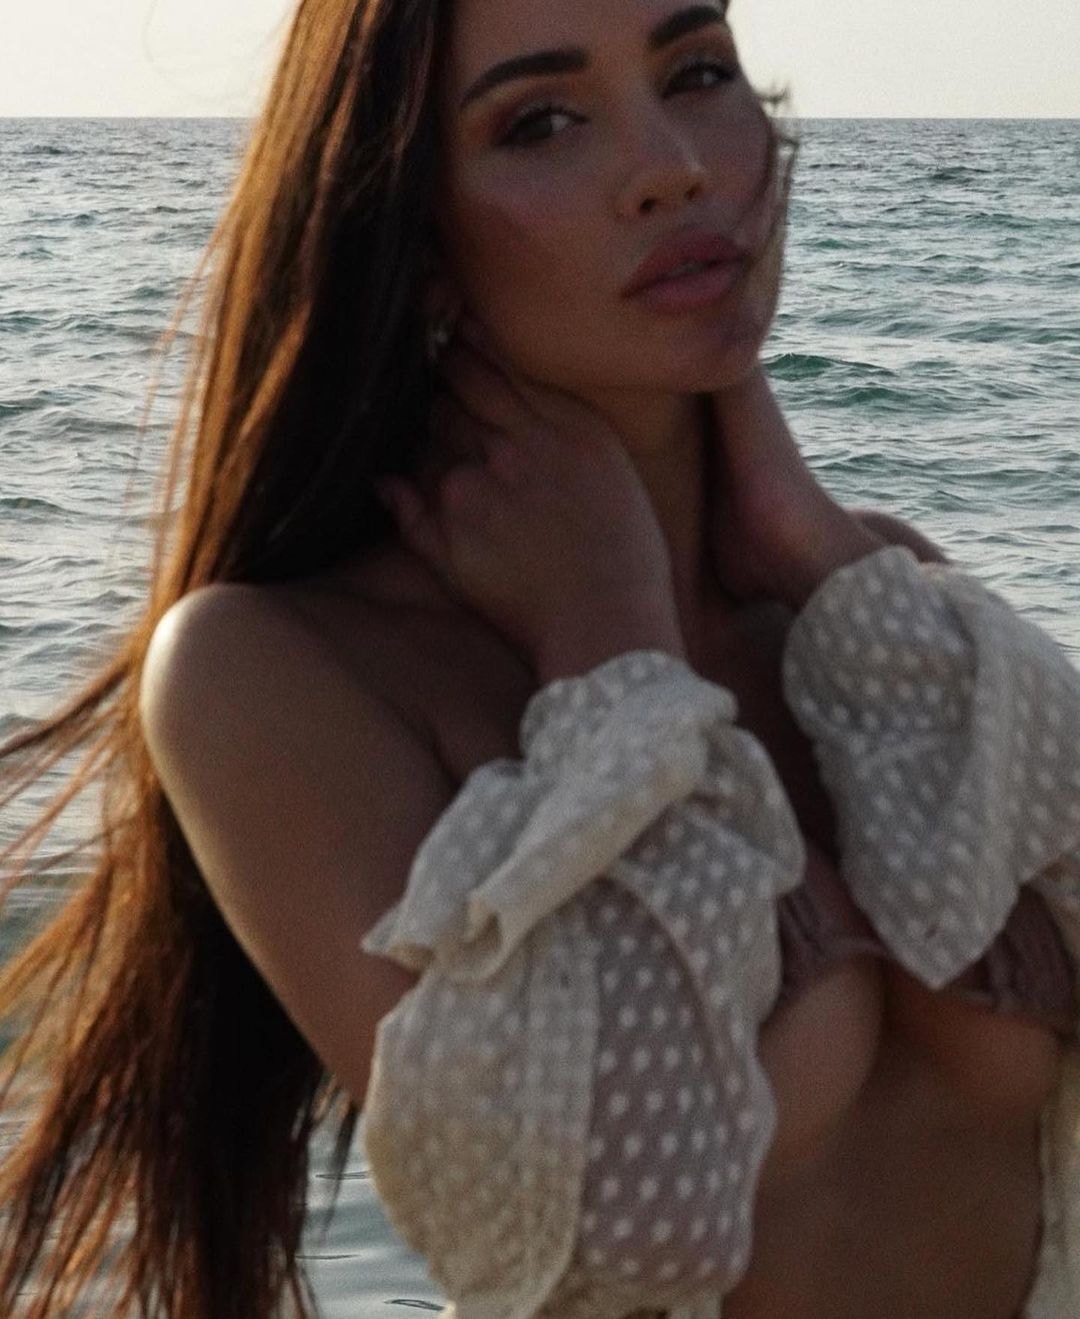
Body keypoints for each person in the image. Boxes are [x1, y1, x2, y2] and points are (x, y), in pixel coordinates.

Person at [0, 0, 1078, 1314]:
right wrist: (609, 649)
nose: (671, 163)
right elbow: (609, 1222)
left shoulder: (873, 615)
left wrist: (809, 536)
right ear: (417, 240)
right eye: (544, 121)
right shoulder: (273, 676)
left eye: (698, 72)